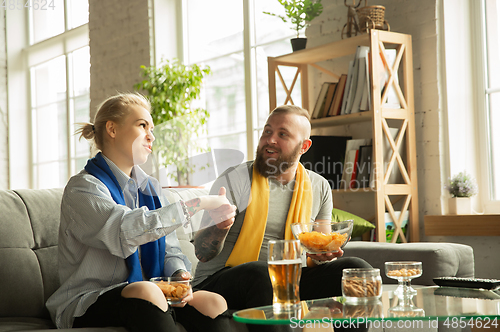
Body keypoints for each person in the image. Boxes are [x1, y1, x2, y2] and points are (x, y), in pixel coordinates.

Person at [46, 93, 236, 332]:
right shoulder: (83, 188)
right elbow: (128, 229)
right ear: (112, 129)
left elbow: (169, 248)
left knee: (212, 302)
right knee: (146, 291)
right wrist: (198, 203)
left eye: (152, 128)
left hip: (151, 291)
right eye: (142, 125)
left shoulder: (151, 187)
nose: (151, 136)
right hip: (89, 300)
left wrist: (178, 275)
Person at [192, 105, 372, 312]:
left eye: (282, 134)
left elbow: (319, 249)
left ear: (304, 146)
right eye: (267, 131)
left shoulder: (319, 186)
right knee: (263, 273)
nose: (270, 139)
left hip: (288, 279)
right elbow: (202, 253)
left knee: (358, 270)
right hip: (223, 280)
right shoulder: (235, 178)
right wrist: (220, 228)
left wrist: (321, 255)